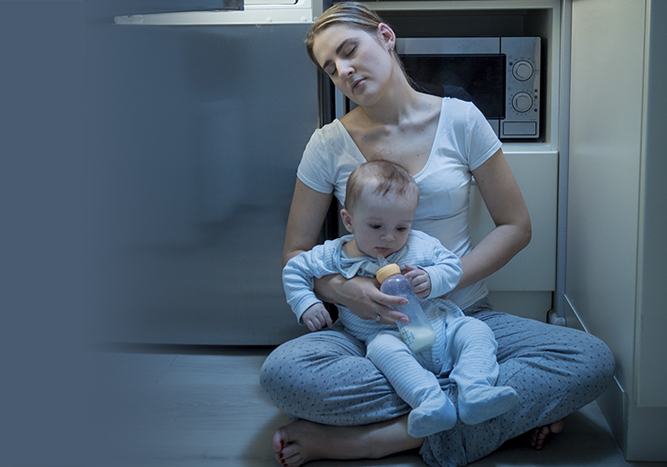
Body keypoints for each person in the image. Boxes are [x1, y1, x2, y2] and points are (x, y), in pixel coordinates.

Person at [260, 3, 615, 467]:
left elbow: (516, 227)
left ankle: (381, 439)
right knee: (283, 375)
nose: (344, 71)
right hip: (370, 333)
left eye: (349, 50)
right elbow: (296, 253)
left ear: (385, 36)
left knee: (590, 359)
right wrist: (349, 294)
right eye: (331, 68)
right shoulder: (328, 143)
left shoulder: (463, 120)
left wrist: (443, 281)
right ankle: (495, 404)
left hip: (465, 318)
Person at [283, 160, 519, 438]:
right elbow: (294, 268)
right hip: (387, 337)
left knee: (476, 330)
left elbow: (453, 266)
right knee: (380, 349)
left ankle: (476, 390)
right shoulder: (336, 254)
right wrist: (306, 303)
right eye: (375, 226)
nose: (388, 238)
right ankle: (430, 402)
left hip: (439, 327)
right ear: (349, 220)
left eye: (401, 228)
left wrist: (432, 278)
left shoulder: (420, 245)